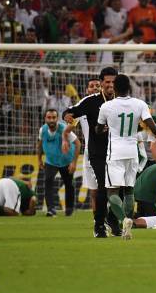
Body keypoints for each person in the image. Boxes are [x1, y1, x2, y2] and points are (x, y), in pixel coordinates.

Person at [96, 74, 156, 240]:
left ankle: (124, 220)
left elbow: (98, 129)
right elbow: (152, 126)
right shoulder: (140, 104)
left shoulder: (107, 106)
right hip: (132, 152)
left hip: (115, 153)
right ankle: (127, 221)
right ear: (129, 88)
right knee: (129, 190)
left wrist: (104, 129)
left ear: (115, 88)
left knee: (112, 191)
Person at [63, 67, 121, 238]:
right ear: (102, 83)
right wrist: (66, 115)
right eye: (107, 82)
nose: (110, 85)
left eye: (113, 82)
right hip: (97, 153)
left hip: (118, 152)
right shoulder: (91, 101)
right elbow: (71, 111)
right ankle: (99, 226)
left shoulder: (123, 101)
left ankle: (112, 218)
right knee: (102, 189)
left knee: (124, 189)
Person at [63, 78, 101, 214]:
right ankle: (98, 221)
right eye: (92, 86)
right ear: (87, 90)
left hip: (108, 152)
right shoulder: (82, 108)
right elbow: (67, 129)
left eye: (98, 85)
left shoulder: (108, 105)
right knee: (94, 192)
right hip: (90, 153)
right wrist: (64, 140)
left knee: (109, 190)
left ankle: (111, 220)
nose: (95, 88)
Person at [37, 109, 80, 217]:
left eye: (54, 117)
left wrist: (74, 163)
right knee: (47, 182)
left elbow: (78, 143)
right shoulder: (43, 130)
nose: (51, 120)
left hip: (66, 161)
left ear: (57, 118)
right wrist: (39, 159)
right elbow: (40, 144)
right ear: (45, 119)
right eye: (49, 117)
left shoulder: (64, 129)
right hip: (50, 161)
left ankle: (69, 209)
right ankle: (51, 209)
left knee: (69, 184)